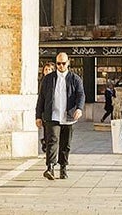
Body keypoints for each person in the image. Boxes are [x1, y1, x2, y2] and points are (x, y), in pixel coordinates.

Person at [35, 52, 85, 180]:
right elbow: (41, 98)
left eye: (63, 63)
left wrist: (79, 108)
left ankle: (63, 167)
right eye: (58, 63)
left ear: (68, 63)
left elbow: (81, 95)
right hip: (52, 115)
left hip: (68, 117)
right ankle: (50, 167)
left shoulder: (75, 79)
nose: (61, 66)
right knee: (52, 141)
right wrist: (38, 116)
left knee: (65, 144)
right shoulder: (48, 79)